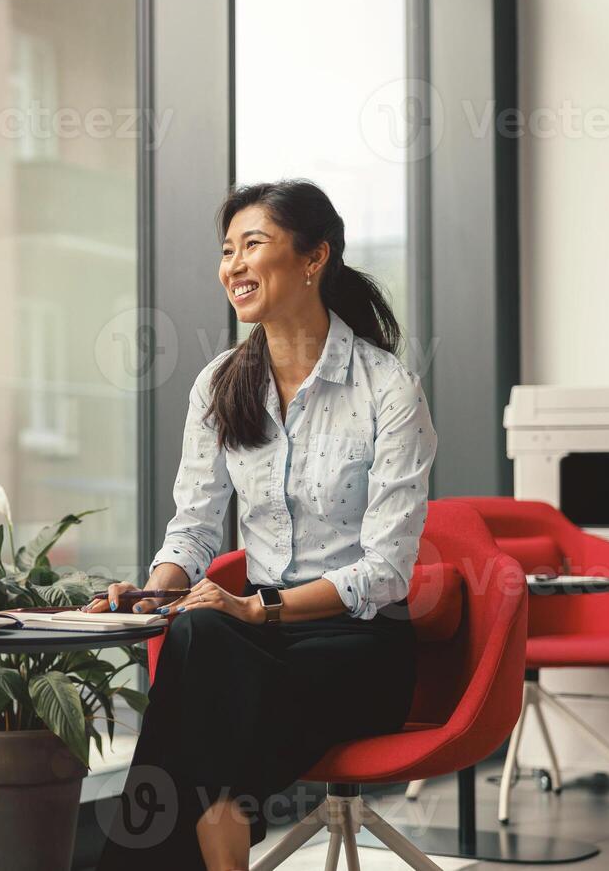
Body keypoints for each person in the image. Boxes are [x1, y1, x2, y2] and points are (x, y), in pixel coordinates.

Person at [88, 180, 436, 870]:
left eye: (254, 245)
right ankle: (225, 820)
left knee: (208, 661)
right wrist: (155, 591)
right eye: (227, 251)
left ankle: (189, 836)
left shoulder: (386, 389)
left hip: (356, 648)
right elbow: (193, 529)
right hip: (252, 648)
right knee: (198, 636)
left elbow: (387, 572)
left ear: (313, 259)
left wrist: (256, 607)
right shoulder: (220, 386)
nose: (234, 266)